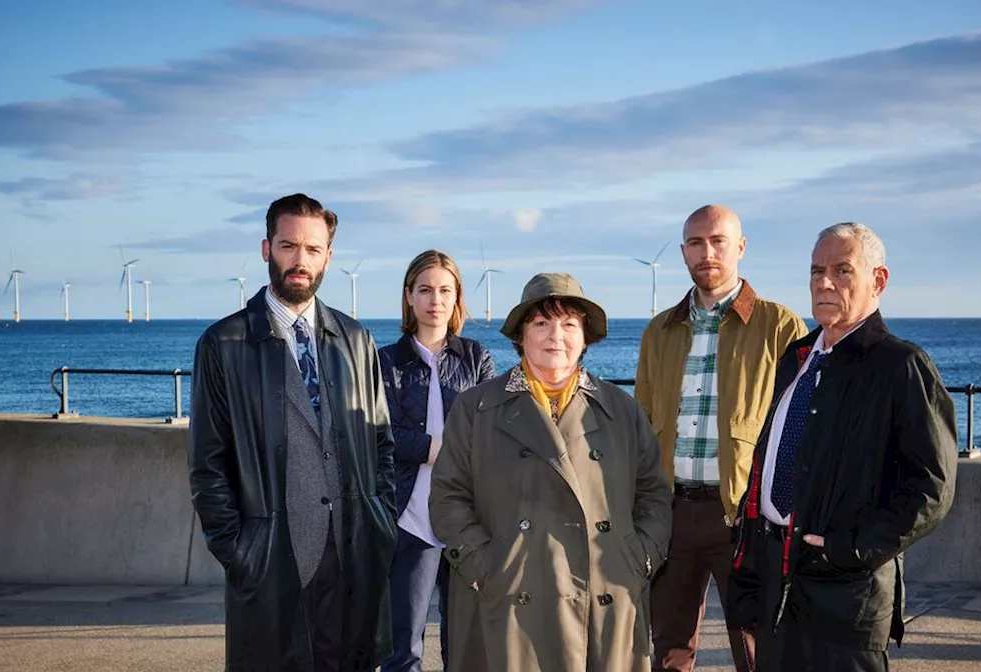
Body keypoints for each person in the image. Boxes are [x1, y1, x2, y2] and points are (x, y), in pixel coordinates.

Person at [726, 222, 959, 671]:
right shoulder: (796, 359)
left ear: (879, 280)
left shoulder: (901, 367)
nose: (824, 282)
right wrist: (751, 580)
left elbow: (932, 490)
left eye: (842, 270)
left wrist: (848, 549)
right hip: (777, 588)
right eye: (816, 271)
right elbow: (767, 470)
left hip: (845, 600)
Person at [189, 193, 397, 671]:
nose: (300, 261)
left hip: (351, 556)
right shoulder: (224, 344)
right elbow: (207, 466)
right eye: (288, 246)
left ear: (329, 256)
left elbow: (381, 444)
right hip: (272, 562)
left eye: (313, 249)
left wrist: (378, 523)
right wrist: (241, 552)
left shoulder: (356, 340)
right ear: (266, 249)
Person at [430, 272, 673, 672]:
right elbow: (447, 497)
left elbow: (654, 495)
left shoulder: (621, 409)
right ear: (521, 336)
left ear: (585, 337)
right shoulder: (477, 408)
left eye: (569, 324)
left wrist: (638, 559)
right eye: (541, 323)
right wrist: (486, 567)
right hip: (508, 599)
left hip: (604, 595)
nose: (555, 335)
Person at [634, 204, 808, 671]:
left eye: (717, 241)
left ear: (741, 247)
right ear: (683, 252)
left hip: (743, 518)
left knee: (755, 649)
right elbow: (642, 423)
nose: (706, 252)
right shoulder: (659, 331)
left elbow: (798, 428)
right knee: (668, 649)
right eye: (695, 242)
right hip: (671, 513)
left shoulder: (781, 327)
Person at [377, 250, 497, 671]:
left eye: (445, 290)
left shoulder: (476, 358)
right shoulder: (385, 362)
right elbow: (381, 432)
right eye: (425, 289)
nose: (435, 299)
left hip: (466, 517)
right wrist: (437, 448)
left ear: (457, 297)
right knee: (403, 648)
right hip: (410, 519)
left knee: (464, 648)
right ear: (409, 296)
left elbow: (491, 430)